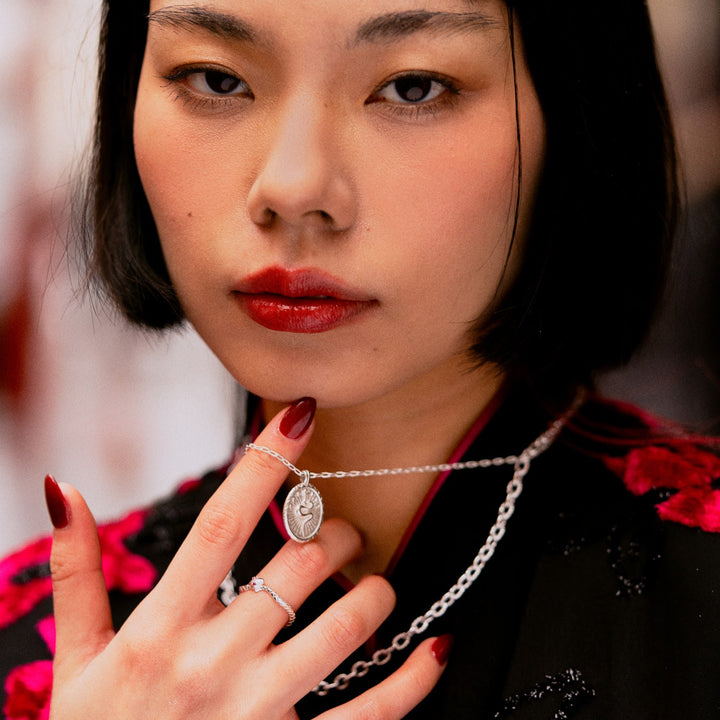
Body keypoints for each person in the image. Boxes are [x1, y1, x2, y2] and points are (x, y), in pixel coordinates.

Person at [1, 0, 718, 717]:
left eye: (413, 87)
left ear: (576, 112)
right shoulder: (23, 648)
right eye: (216, 80)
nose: (292, 189)